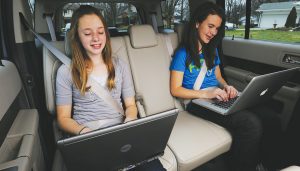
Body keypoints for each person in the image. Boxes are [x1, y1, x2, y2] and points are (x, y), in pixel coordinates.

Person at [56, 5, 165, 171]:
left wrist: (130, 120)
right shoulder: (66, 71)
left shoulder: (120, 65)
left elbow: (130, 105)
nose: (96, 38)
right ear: (77, 37)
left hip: (121, 133)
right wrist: (82, 131)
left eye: (100, 32)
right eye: (87, 33)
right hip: (89, 135)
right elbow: (63, 118)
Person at [170, 2, 265, 171]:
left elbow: (218, 76)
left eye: (217, 28)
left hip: (217, 96)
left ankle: (256, 163)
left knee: (266, 113)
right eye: (210, 26)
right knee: (250, 123)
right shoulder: (182, 53)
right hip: (196, 102)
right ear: (197, 23)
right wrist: (207, 95)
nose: (213, 32)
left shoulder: (211, 50)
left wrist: (227, 86)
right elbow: (175, 89)